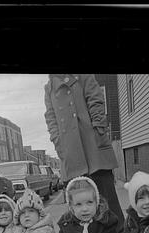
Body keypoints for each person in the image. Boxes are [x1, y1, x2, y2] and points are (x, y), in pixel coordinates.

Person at [44, 74, 124, 223]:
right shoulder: (49, 88)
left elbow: (96, 100)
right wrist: (59, 144)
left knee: (108, 205)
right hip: (70, 154)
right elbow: (51, 118)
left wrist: (99, 132)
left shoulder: (84, 77)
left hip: (93, 150)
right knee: (79, 210)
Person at [57, 177, 121, 233]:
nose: (85, 209)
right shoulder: (66, 225)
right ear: (71, 207)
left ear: (96, 202)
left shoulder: (106, 221)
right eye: (78, 204)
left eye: (89, 202)